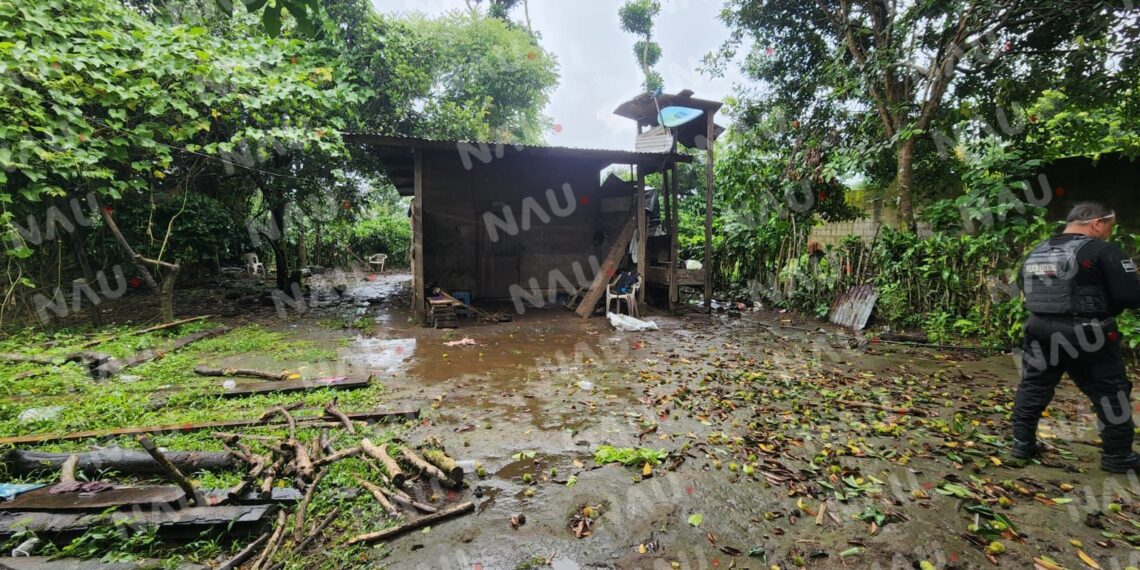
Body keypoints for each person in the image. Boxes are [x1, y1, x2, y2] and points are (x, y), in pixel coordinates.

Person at [1011, 202, 1140, 472]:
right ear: (1096, 223)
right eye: (1109, 226)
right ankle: (1118, 456)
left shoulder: (1038, 251)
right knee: (1111, 390)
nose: (1109, 233)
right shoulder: (1103, 251)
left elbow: (1025, 288)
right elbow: (1130, 296)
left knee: (1035, 385)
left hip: (1039, 327)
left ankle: (1021, 444)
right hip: (1089, 332)